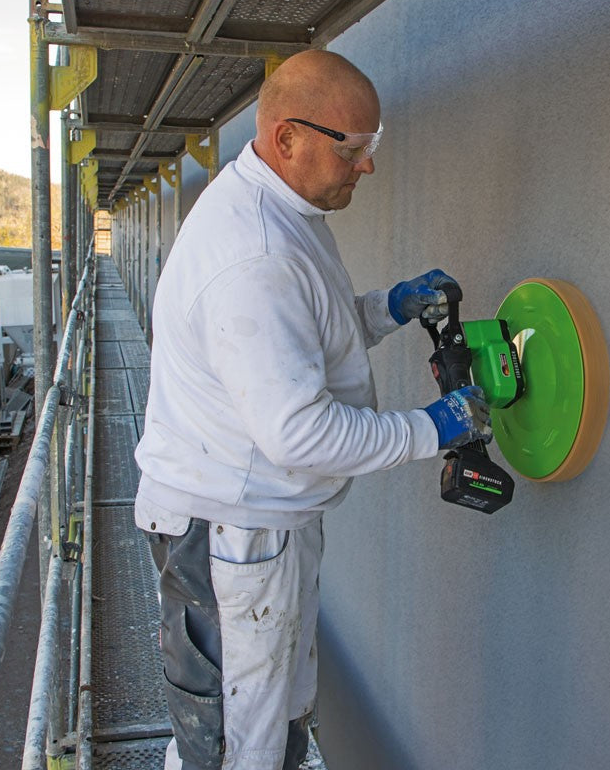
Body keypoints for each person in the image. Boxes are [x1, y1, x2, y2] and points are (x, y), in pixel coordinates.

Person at [134, 49, 491, 770]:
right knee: (243, 747)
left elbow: (301, 337)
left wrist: (386, 309)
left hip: (249, 521)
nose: (366, 166)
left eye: (372, 146)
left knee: (262, 722)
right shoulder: (253, 255)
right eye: (352, 148)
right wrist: (436, 427)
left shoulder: (276, 207)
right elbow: (300, 434)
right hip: (234, 535)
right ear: (286, 136)